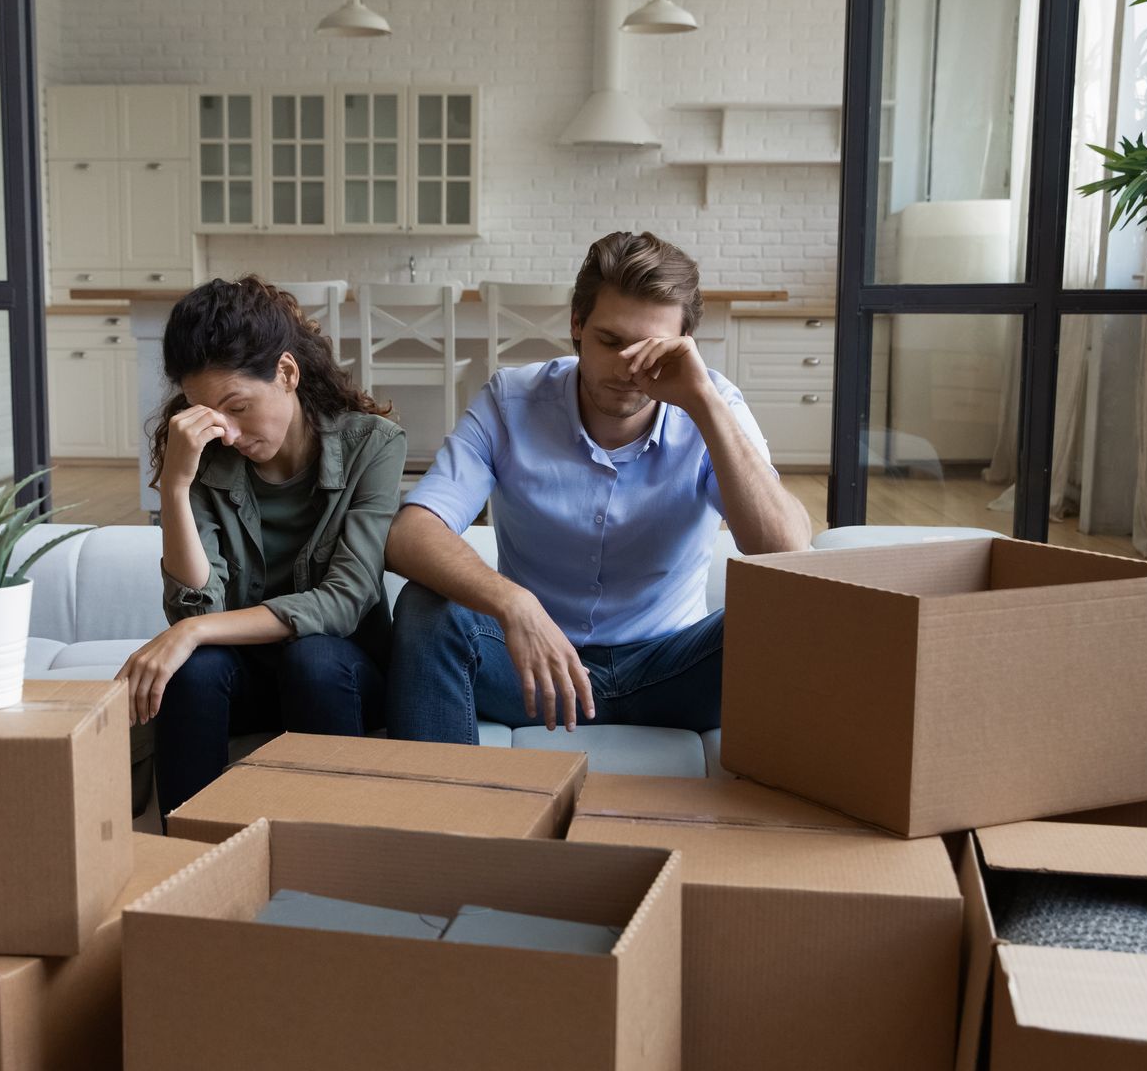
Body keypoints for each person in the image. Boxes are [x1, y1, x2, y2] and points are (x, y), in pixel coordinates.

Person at [384, 230, 813, 744]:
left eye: (651, 349)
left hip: (674, 668)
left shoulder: (713, 403)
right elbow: (411, 533)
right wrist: (514, 604)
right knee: (424, 610)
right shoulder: (511, 401)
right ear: (577, 326)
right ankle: (439, 819)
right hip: (532, 668)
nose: (628, 368)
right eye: (610, 342)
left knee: (795, 614)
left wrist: (702, 404)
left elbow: (787, 550)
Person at [119, 277, 407, 814]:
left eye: (238, 407)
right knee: (193, 669)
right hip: (246, 678)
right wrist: (175, 486)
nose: (226, 432)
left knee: (313, 660)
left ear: (287, 372)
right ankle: (190, 861)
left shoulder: (373, 444)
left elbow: (346, 598)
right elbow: (195, 604)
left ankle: (337, 855)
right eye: (207, 414)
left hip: (338, 676)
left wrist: (194, 630)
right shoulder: (204, 455)